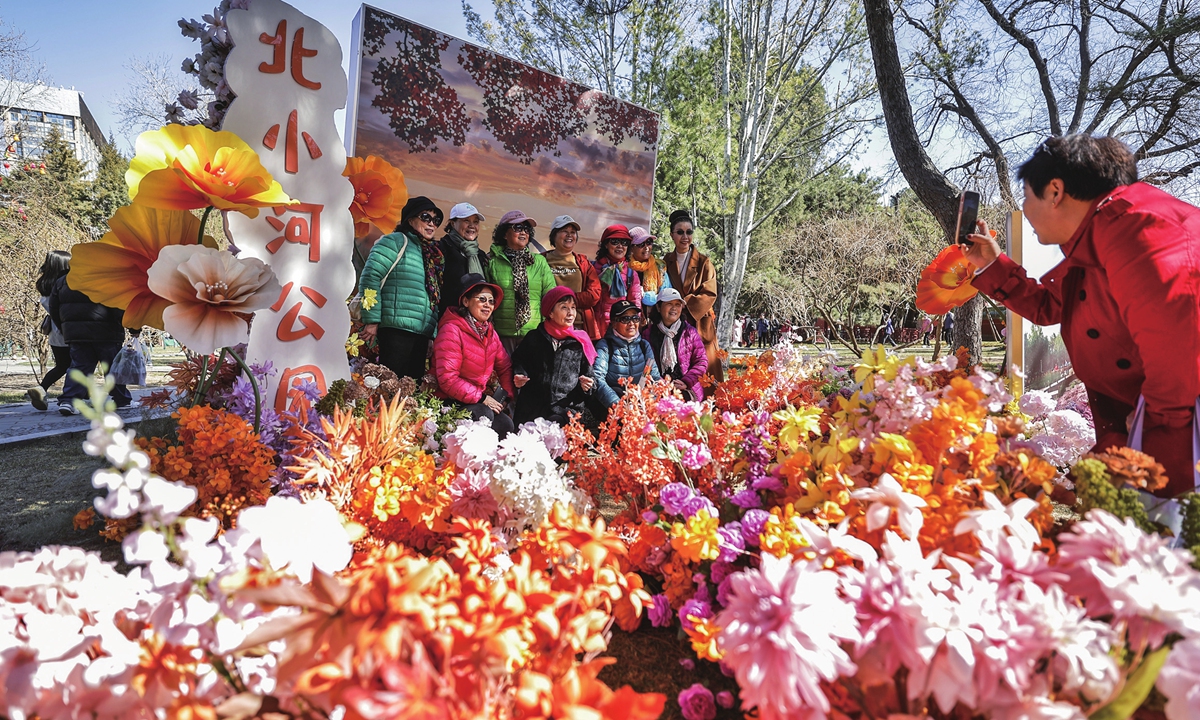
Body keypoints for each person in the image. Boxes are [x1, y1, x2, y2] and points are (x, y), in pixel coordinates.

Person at [965, 134, 1200, 497]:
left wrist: (1144, 434)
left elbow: (1179, 357)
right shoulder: (1107, 229)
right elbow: (1051, 306)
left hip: (1177, 438)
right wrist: (994, 265)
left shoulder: (1139, 230)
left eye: (1027, 196)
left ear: (1056, 192)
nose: (1024, 210)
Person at [359, 196, 444, 382]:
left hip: (421, 334)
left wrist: (431, 334)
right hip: (395, 331)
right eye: (425, 217)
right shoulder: (395, 241)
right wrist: (372, 319)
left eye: (436, 220)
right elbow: (369, 279)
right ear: (410, 219)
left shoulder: (432, 255)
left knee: (409, 391)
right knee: (387, 386)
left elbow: (434, 297)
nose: (432, 224)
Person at [432, 274, 515, 436]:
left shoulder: (489, 333)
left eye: (491, 301)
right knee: (484, 415)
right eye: (482, 299)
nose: (488, 305)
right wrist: (482, 398)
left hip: (477, 399)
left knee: (506, 424)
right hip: (450, 400)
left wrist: (505, 397)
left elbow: (505, 367)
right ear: (465, 301)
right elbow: (447, 378)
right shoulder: (451, 329)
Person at [49, 269, 131, 414]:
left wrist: (64, 328)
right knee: (112, 367)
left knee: (79, 367)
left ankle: (69, 401)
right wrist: (132, 326)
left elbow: (54, 307)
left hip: (76, 333)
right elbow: (117, 306)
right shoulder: (106, 277)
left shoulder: (63, 281)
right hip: (107, 332)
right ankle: (121, 399)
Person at [511, 286, 596, 426]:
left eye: (573, 307)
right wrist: (519, 374)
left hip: (566, 408)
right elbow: (518, 361)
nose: (570, 313)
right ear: (550, 312)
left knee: (553, 428)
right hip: (532, 406)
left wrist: (588, 385)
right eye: (564, 307)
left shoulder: (580, 342)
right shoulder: (534, 337)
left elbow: (590, 376)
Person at [489, 210, 556, 356]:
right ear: (504, 234)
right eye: (518, 228)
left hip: (534, 334)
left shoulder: (539, 262)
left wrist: (546, 331)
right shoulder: (492, 262)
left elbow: (551, 298)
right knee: (504, 377)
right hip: (502, 335)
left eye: (527, 229)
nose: (523, 232)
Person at [664, 210, 721, 381]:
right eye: (680, 232)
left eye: (689, 232)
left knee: (705, 375)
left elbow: (710, 293)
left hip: (699, 324)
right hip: (673, 324)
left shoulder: (704, 262)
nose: (685, 237)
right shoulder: (665, 262)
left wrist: (682, 304)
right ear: (672, 234)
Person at [592, 299, 661, 419]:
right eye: (625, 319)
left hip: (640, 403)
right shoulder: (605, 346)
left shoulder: (644, 346)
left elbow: (654, 378)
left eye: (635, 318)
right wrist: (620, 407)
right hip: (614, 407)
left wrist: (648, 404)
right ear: (613, 323)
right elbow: (598, 379)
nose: (631, 323)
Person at [542, 214, 603, 337]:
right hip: (548, 327)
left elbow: (594, 294)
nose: (569, 235)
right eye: (564, 231)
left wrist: (563, 301)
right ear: (554, 235)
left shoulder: (583, 262)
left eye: (573, 232)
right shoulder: (541, 260)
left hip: (579, 326)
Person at [645, 288, 708, 401]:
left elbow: (701, 361)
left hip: (686, 388)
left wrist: (686, 381)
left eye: (678, 304)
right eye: (669, 304)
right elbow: (646, 364)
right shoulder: (648, 334)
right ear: (659, 307)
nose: (674, 308)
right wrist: (662, 384)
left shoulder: (690, 333)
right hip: (658, 389)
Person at [27, 250, 72, 411]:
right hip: (67, 328)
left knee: (62, 365)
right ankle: (71, 397)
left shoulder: (44, 284)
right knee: (78, 365)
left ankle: (42, 389)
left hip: (54, 331)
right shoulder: (64, 284)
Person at [437, 202, 491, 318]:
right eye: (466, 221)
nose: (472, 226)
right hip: (447, 319)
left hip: (474, 323)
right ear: (452, 223)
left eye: (475, 222)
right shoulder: (441, 249)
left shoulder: (480, 255)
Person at [593, 225, 642, 338]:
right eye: (615, 241)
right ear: (606, 244)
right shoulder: (593, 269)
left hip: (619, 332)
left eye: (624, 242)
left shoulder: (631, 274)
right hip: (594, 330)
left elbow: (635, 304)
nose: (620, 246)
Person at [628, 226, 670, 323]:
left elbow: (667, 296)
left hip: (654, 322)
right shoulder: (624, 268)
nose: (646, 247)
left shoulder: (660, 267)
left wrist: (646, 297)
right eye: (641, 244)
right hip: (629, 322)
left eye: (649, 242)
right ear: (631, 248)